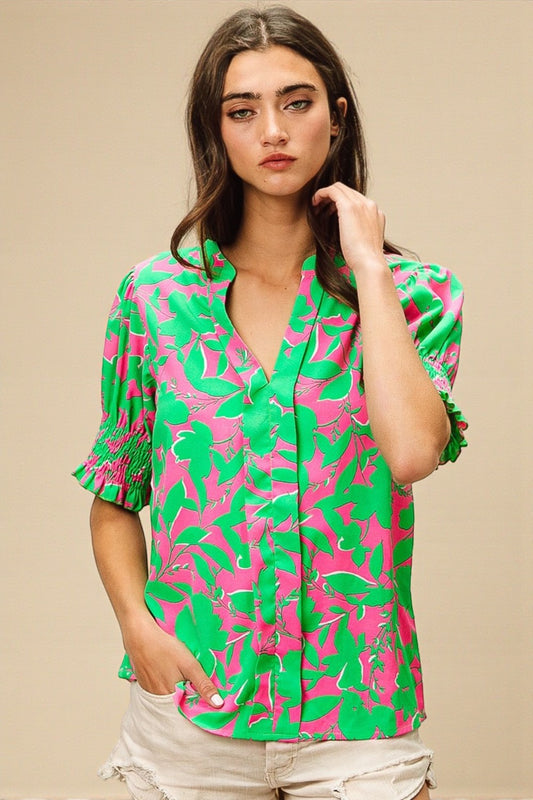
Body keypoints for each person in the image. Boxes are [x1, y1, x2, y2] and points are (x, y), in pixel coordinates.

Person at [73, 5, 467, 799]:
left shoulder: (414, 294)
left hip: (356, 708)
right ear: (214, 130)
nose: (272, 131)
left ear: (336, 116)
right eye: (241, 111)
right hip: (193, 711)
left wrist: (368, 266)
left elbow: (412, 453)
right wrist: (136, 627)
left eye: (296, 102)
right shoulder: (153, 299)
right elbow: (116, 492)